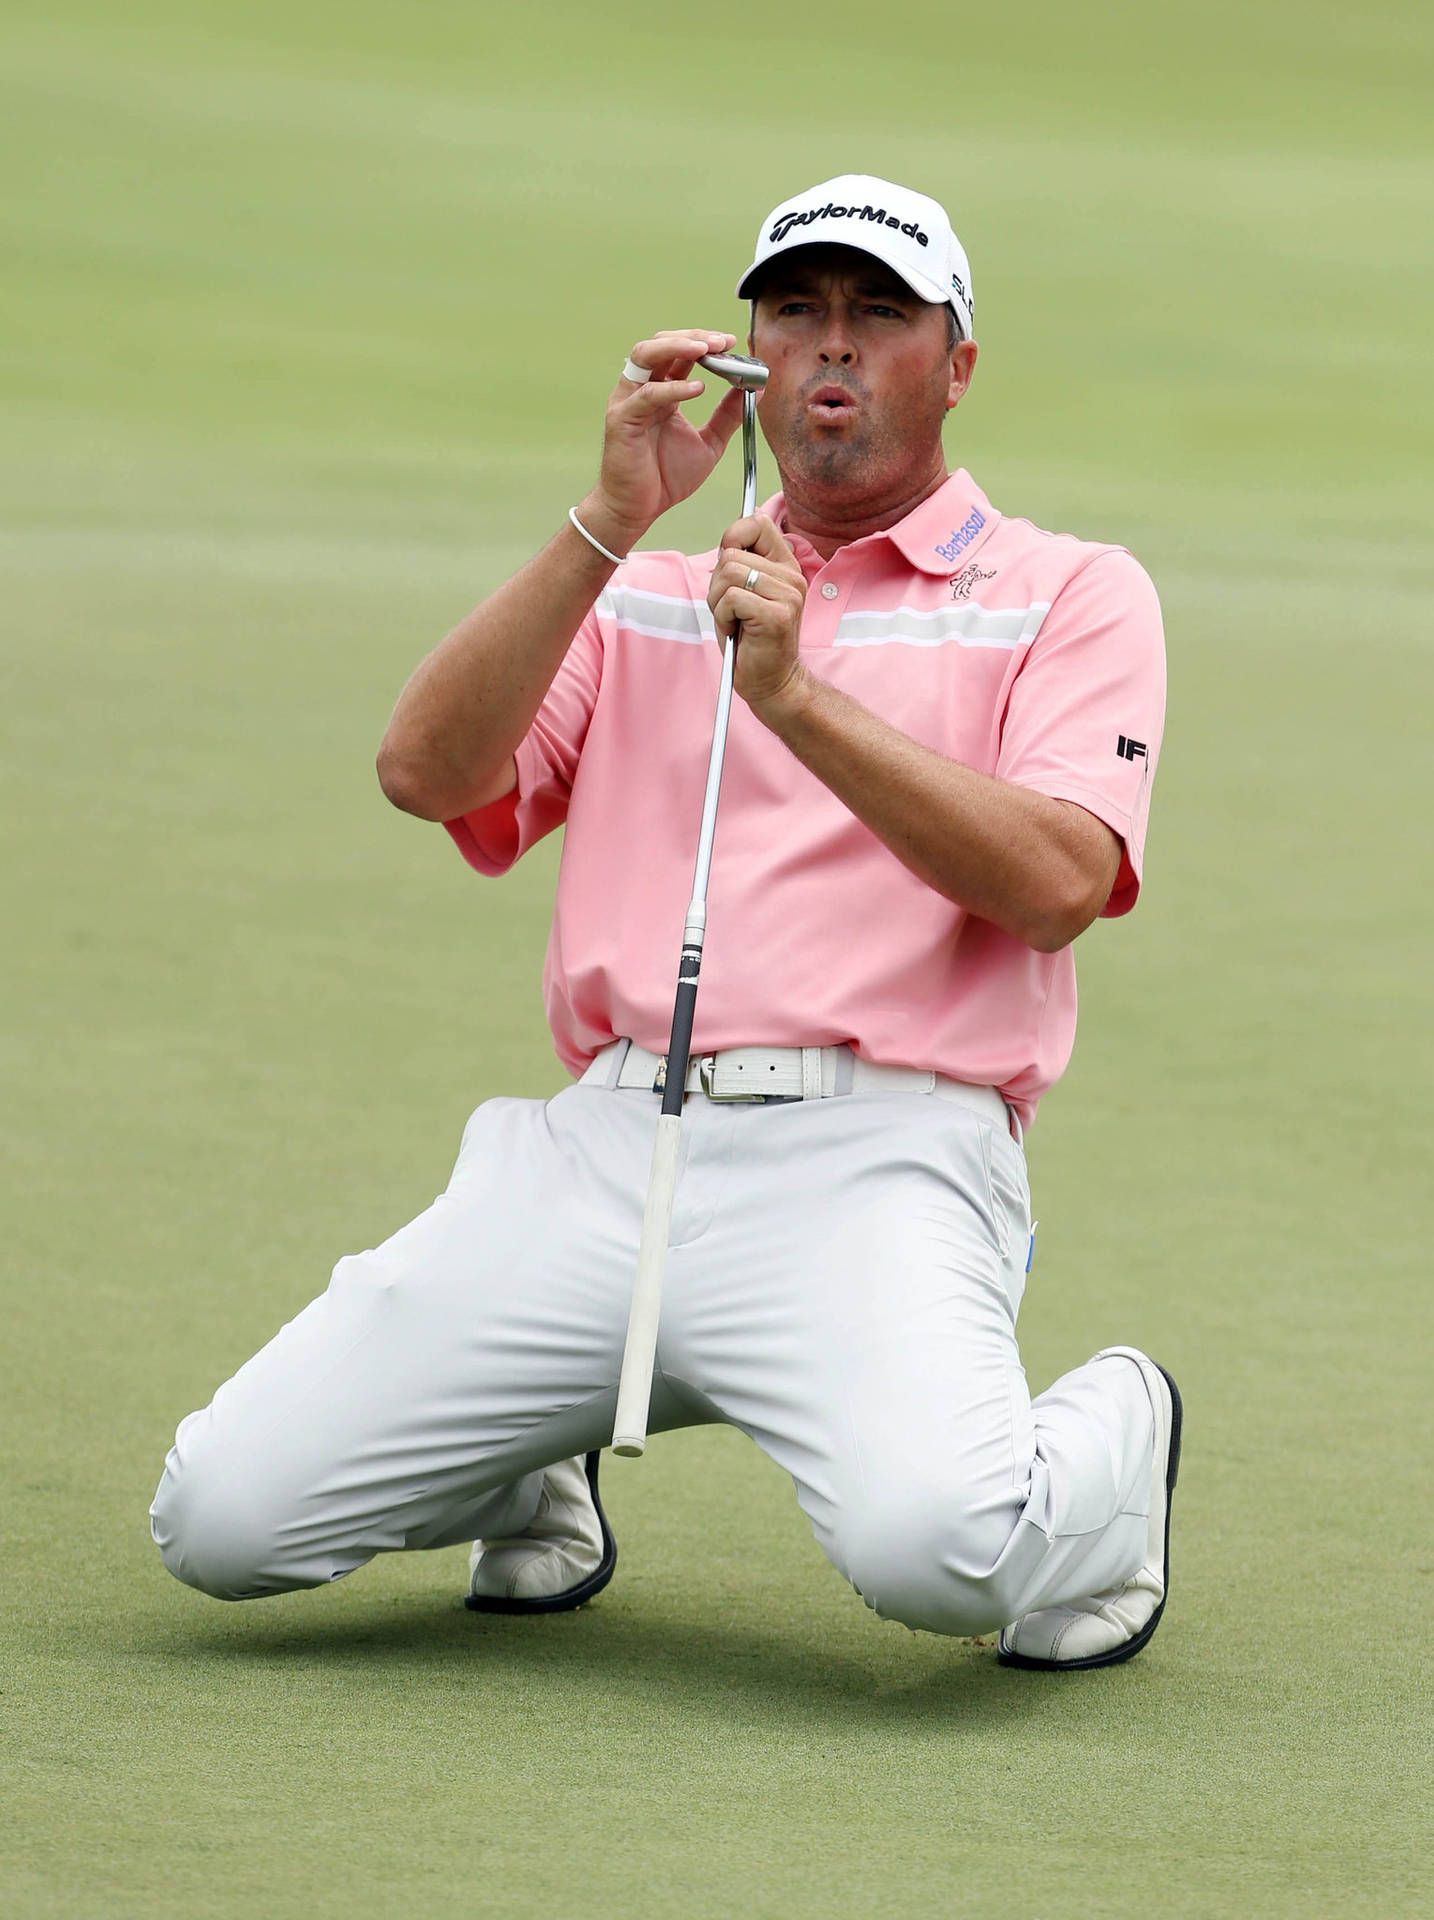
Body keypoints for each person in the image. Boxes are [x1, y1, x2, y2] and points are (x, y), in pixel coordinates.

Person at [151, 174, 1179, 1671]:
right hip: (601, 1152)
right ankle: (521, 1455)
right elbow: (426, 773)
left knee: (942, 1560)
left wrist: (795, 700)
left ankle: (1116, 1436)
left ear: (955, 364)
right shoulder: (646, 589)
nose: (831, 346)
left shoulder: (1066, 592)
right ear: (751, 358)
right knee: (221, 1522)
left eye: (878, 314)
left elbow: (1056, 881)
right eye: (795, 312)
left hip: (880, 1159)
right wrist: (608, 520)